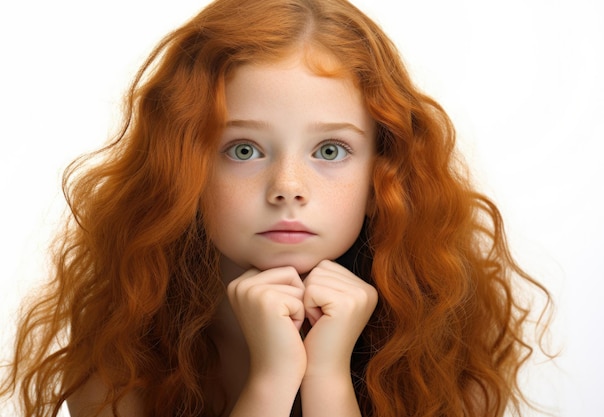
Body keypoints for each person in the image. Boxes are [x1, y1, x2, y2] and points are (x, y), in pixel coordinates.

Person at [0, 0, 552, 416]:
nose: (287, 187)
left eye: (330, 150)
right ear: (182, 166)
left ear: (384, 170)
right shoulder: (120, 355)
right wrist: (272, 380)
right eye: (244, 150)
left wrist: (329, 380)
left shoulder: (444, 346)